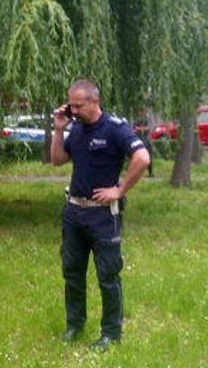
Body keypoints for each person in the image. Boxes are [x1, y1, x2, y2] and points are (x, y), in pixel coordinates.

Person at [50, 79, 152, 351]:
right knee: (72, 271)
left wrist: (119, 190)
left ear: (95, 101)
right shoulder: (78, 129)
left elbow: (142, 158)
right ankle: (74, 325)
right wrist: (59, 130)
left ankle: (111, 334)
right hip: (74, 211)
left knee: (107, 275)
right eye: (70, 104)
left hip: (103, 216)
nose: (72, 110)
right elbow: (58, 159)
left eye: (78, 105)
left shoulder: (115, 129)